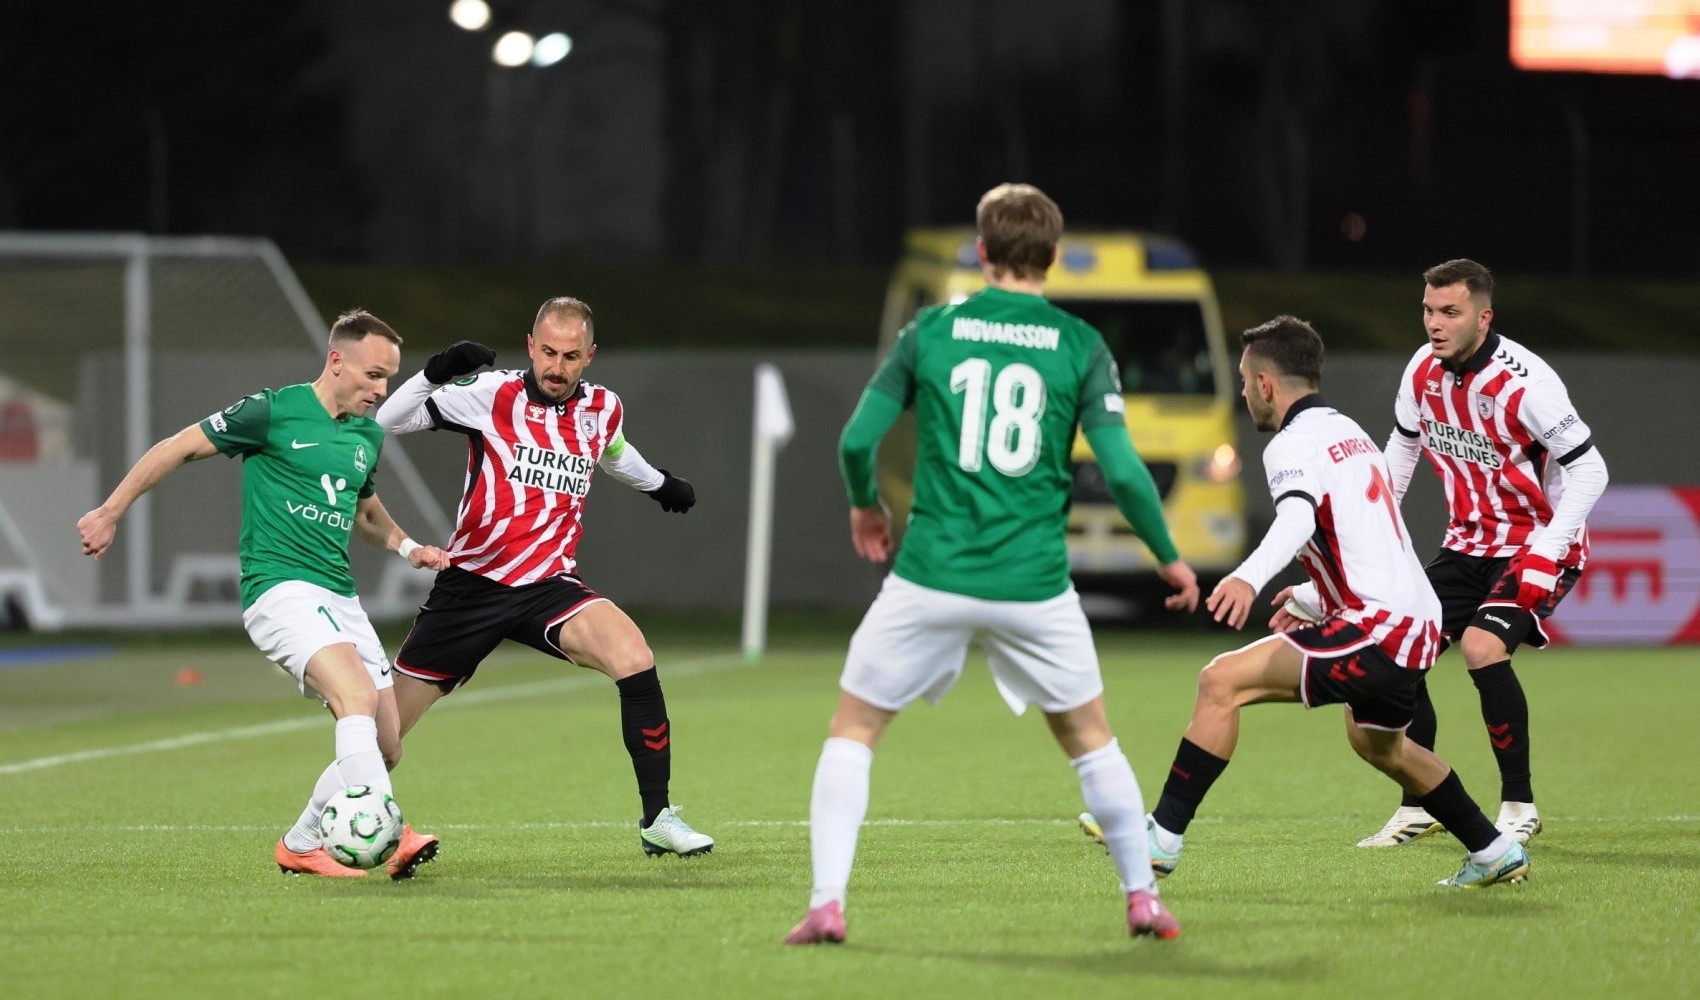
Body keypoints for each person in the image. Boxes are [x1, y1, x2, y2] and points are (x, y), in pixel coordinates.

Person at [783, 182, 1201, 947]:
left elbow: (854, 441)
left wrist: (866, 505)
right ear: (1050, 256)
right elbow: (1127, 473)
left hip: (930, 575)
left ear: (983, 252)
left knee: (855, 729)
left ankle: (827, 904)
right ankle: (1142, 898)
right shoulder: (1080, 344)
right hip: (1034, 585)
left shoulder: (930, 331)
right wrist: (1169, 559)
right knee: (1090, 739)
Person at [1141, 314, 1529, 890]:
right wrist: (1309, 594)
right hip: (1416, 621)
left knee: (1221, 681)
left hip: (1381, 625)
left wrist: (1247, 578)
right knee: (1381, 745)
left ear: (1267, 385)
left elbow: (1298, 518)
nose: (1245, 391)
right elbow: (1362, 538)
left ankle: (1161, 839)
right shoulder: (1347, 431)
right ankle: (1494, 850)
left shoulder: (1291, 444)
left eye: (1246, 380)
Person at [76, 309, 450, 879]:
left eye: (389, 378)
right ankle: (388, 831)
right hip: (278, 589)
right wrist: (109, 511)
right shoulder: (272, 411)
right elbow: (177, 447)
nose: (382, 390)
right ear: (336, 361)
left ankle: (301, 843)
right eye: (374, 375)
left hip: (340, 597)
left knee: (387, 743)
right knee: (352, 694)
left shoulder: (367, 437)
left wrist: (407, 548)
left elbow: (365, 511)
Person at [372, 296, 713, 858]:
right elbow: (387, 420)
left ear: (591, 356)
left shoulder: (603, 407)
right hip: (471, 587)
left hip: (548, 586)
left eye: (571, 356)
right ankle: (319, 830)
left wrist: (658, 484)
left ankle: (658, 819)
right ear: (531, 346)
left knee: (633, 654)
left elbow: (615, 453)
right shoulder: (490, 394)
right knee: (385, 739)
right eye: (548, 353)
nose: (556, 367)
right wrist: (435, 373)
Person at [1355, 259, 1608, 848]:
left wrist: (1549, 549)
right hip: (1466, 542)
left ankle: (1518, 804)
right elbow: (1400, 452)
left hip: (1537, 543)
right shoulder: (1421, 369)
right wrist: (1374, 541)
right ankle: (1419, 803)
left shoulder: (1526, 385)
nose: (1435, 324)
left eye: (1450, 312)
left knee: (1480, 645)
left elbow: (1590, 469)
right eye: (1428, 310)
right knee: (1400, 646)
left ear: (1483, 316)